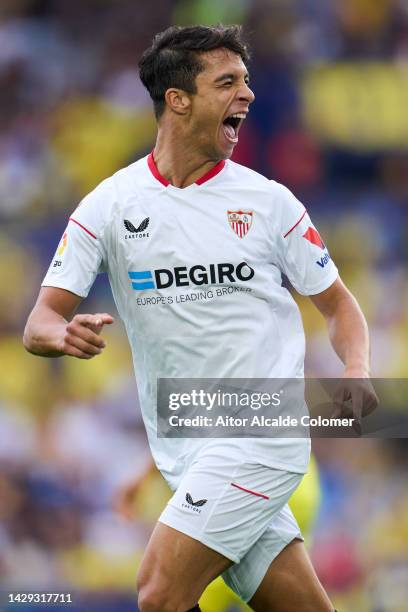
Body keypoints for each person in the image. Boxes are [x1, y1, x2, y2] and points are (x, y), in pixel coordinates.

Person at [24, 25, 377, 612]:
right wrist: (59, 335)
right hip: (185, 447)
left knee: (158, 593)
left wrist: (358, 367)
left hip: (261, 433)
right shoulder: (109, 206)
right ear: (178, 100)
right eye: (228, 82)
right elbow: (40, 319)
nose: (248, 95)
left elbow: (339, 304)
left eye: (247, 81)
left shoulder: (270, 203)